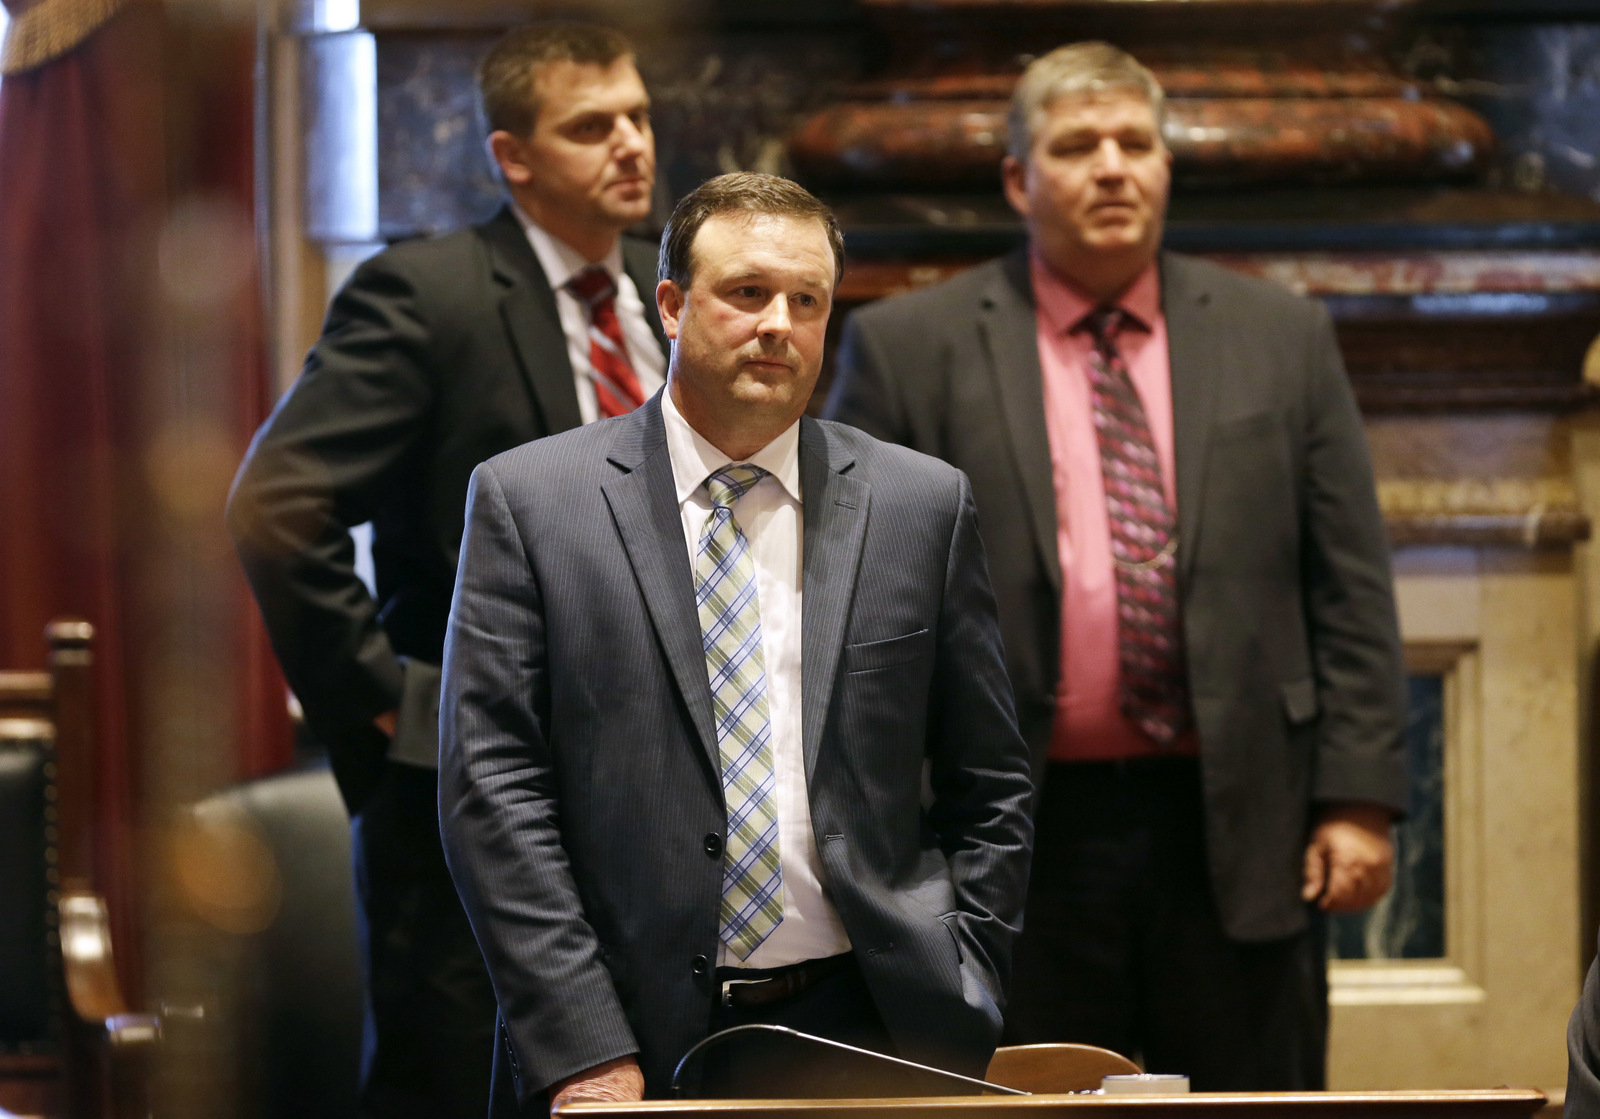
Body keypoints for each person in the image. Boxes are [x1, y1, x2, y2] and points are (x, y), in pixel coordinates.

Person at [826, 41, 1408, 1090]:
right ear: (1017, 178)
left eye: (1135, 143)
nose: (1111, 167)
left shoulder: (1281, 335)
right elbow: (850, 609)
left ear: (1166, 168)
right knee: (1026, 1103)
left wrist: (1357, 798)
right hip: (1008, 837)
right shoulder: (910, 346)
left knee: (1253, 1105)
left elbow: (1348, 582)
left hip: (1237, 818)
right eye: (1077, 145)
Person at [437, 172, 1034, 1116]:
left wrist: (967, 973)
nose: (778, 325)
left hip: (873, 1020)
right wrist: (582, 1043)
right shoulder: (531, 501)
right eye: (747, 292)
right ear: (671, 305)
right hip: (626, 1031)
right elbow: (492, 792)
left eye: (808, 301)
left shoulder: (921, 503)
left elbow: (991, 778)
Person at [226, 22, 666, 1117]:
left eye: (639, 117)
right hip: (468, 793)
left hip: (661, 797)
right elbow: (278, 505)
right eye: (590, 126)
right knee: (453, 1081)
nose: (630, 145)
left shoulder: (676, 298)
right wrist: (389, 707)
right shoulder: (426, 294)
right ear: (513, 156)